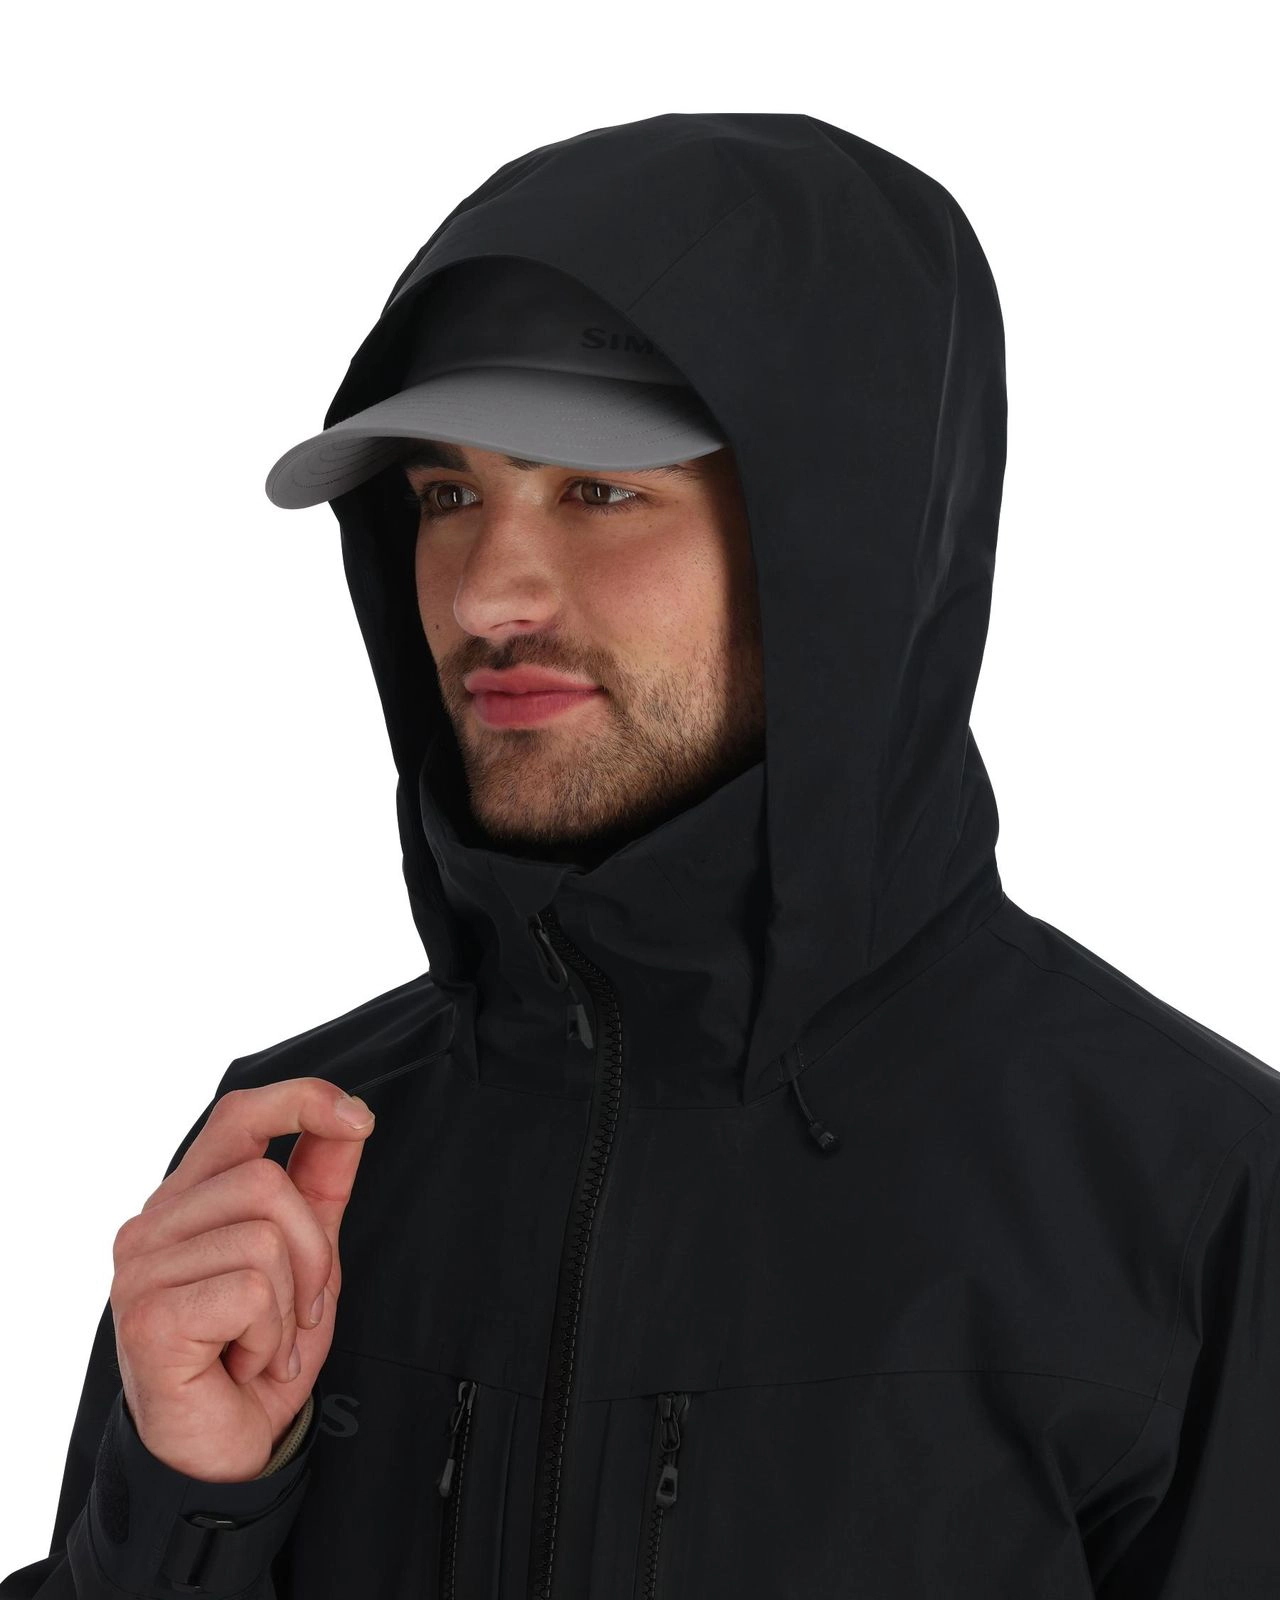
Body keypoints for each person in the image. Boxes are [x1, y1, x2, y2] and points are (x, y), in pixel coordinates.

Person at [5, 110, 1279, 1600]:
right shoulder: (292, 1165)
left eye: (600, 491)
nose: (487, 596)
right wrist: (184, 1515)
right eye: (447, 495)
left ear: (841, 547)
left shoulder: (1191, 1198)